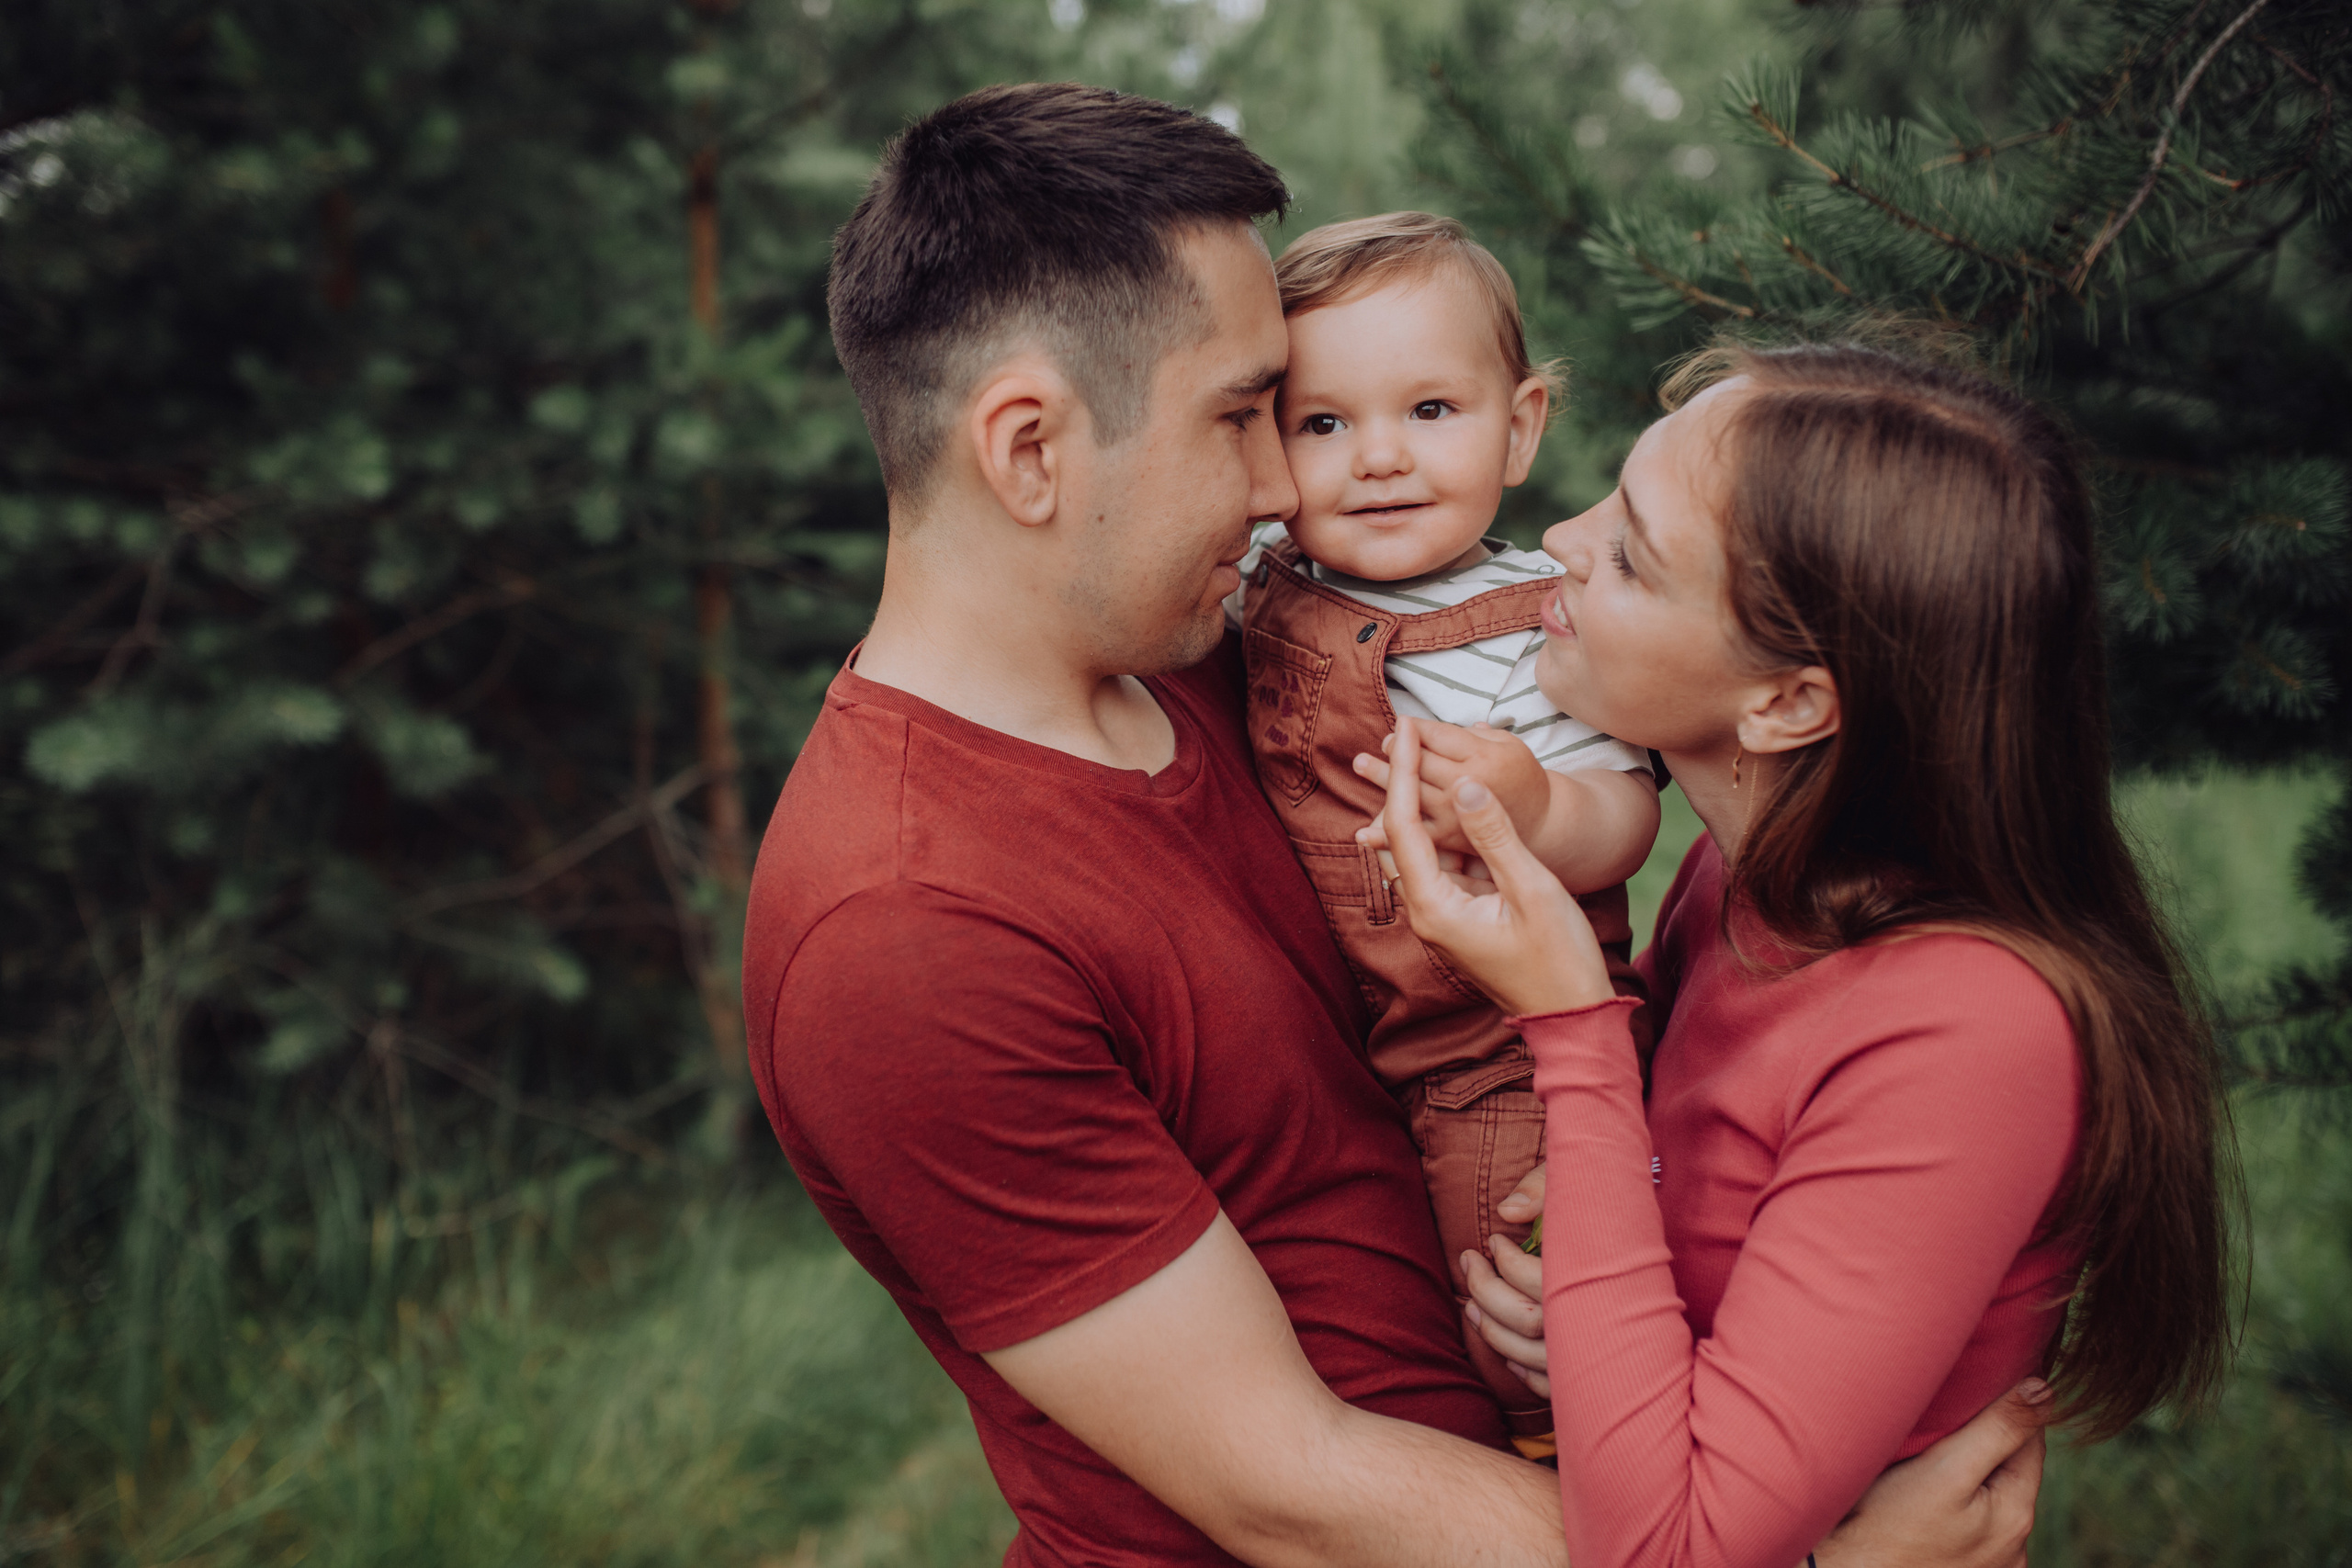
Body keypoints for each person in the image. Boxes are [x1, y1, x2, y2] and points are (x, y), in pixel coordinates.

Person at [746, 80, 2052, 1568]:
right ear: (1031, 451)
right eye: (1250, 415)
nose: (1281, 485)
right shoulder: (904, 929)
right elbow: (1289, 1486)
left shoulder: (1235, 665)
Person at [1372, 339, 2235, 1568]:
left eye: (1630, 554)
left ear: (1786, 704)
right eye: (1609, 496)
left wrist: (1573, 1024)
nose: (1561, 535)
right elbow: (1693, 1191)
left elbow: (1666, 1550)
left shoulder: (1970, 1029)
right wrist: (1593, 1293)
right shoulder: (1748, 879)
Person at [1223, 211, 1658, 1439]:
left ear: (1518, 427)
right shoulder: (1263, 579)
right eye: (1324, 423)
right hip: (1340, 1038)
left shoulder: (1537, 631)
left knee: (1514, 1287)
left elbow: (1624, 818)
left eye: (1430, 412)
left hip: (1499, 1049)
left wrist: (1537, 804)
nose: (1378, 458)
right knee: (1371, 1313)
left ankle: (1573, 1458)